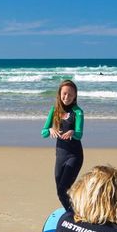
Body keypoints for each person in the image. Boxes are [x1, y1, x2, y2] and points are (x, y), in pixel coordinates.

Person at [41, 80, 84, 210]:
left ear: (75, 96)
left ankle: (75, 216)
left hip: (74, 155)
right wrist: (50, 130)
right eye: (64, 94)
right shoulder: (54, 110)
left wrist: (73, 132)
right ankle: (78, 210)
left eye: (70, 95)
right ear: (59, 94)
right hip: (60, 155)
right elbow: (43, 132)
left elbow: (79, 134)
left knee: (62, 190)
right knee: (62, 192)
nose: (67, 97)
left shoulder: (78, 112)